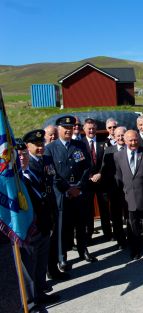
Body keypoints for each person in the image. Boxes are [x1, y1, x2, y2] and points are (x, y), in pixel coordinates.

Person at [44, 115, 96, 272]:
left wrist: (79, 186)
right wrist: (68, 188)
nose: (68, 130)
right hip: (62, 194)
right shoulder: (50, 148)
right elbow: (51, 173)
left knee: (81, 224)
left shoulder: (79, 145)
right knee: (62, 227)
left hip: (79, 193)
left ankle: (83, 250)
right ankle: (62, 257)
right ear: (59, 129)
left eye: (70, 128)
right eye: (65, 128)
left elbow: (88, 167)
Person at [17, 136, 60, 309]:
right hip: (28, 231)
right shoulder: (15, 180)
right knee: (29, 268)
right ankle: (31, 302)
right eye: (18, 155)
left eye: (24, 154)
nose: (22, 158)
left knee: (40, 265)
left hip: (42, 225)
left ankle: (40, 294)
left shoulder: (32, 172)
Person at [24, 130, 69, 281]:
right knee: (39, 247)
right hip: (37, 212)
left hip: (51, 206)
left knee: (52, 241)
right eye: (36, 145)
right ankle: (38, 283)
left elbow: (53, 179)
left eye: (41, 144)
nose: (40, 147)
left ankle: (53, 269)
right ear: (27, 146)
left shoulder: (47, 159)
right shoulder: (27, 165)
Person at [115, 130, 143, 260]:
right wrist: (123, 193)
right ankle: (135, 249)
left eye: (135, 140)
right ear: (125, 140)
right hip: (129, 197)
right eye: (130, 140)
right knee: (132, 225)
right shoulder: (118, 156)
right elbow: (119, 176)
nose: (133, 143)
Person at [82, 118, 111, 241]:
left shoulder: (103, 141)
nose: (91, 130)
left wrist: (100, 174)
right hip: (87, 182)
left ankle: (108, 233)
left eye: (93, 128)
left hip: (101, 181)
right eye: (89, 128)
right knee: (88, 210)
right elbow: (80, 163)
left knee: (104, 208)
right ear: (84, 129)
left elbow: (107, 160)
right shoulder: (80, 144)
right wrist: (88, 176)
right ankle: (88, 235)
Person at [100, 126, 127, 249]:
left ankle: (132, 238)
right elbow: (105, 171)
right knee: (116, 218)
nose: (121, 137)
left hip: (130, 190)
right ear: (114, 138)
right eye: (118, 135)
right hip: (115, 190)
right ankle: (121, 241)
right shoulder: (109, 151)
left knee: (130, 217)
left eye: (123, 135)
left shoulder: (133, 148)